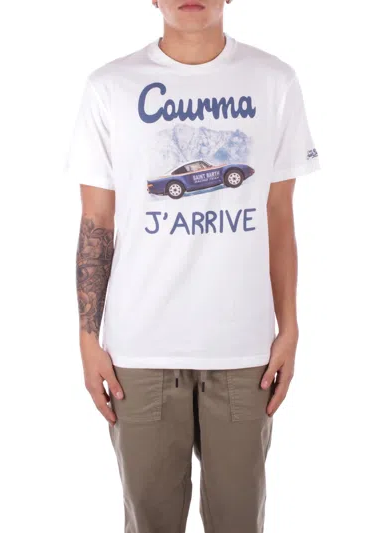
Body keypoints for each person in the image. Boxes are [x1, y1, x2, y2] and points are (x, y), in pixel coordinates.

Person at [67, 1, 320, 531]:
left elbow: (279, 216)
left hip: (244, 350)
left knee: (238, 521)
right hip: (140, 350)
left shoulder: (274, 81)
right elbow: (96, 221)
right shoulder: (109, 86)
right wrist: (88, 338)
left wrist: (290, 328)